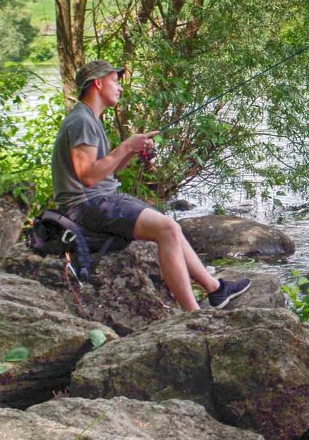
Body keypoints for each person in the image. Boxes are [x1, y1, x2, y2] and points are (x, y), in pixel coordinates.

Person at [51, 59, 249, 310]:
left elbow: (106, 173)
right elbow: (87, 176)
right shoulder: (81, 121)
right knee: (166, 228)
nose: (119, 87)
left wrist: (131, 152)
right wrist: (125, 146)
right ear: (98, 83)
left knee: (170, 226)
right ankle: (194, 314)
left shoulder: (90, 118)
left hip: (99, 199)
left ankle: (216, 289)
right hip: (85, 205)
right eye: (115, 80)